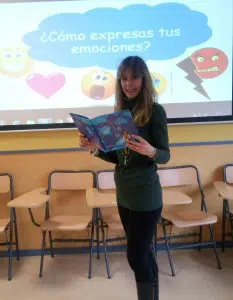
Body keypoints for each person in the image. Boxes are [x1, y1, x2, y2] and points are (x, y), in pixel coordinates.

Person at [79, 56, 170, 300]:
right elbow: (120, 159)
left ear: (144, 79)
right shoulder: (119, 115)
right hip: (124, 195)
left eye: (134, 77)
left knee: (136, 257)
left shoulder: (155, 112)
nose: (129, 84)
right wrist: (95, 148)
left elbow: (165, 155)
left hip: (146, 196)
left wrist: (150, 150)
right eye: (124, 78)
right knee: (145, 254)